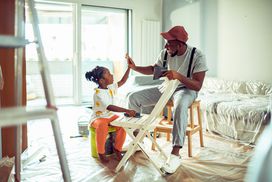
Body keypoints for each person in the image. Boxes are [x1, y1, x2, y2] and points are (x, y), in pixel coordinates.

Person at [126, 25, 208, 173]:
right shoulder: (166, 53)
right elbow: (153, 69)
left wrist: (179, 76)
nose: (166, 45)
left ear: (180, 44)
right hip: (167, 87)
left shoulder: (197, 55)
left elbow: (197, 85)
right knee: (133, 98)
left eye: (169, 42)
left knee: (180, 105)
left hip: (186, 89)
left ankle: (175, 155)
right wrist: (134, 67)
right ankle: (137, 142)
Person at [85, 59, 137, 163]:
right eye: (108, 74)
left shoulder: (109, 87)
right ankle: (101, 152)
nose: (112, 75)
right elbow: (110, 107)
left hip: (110, 116)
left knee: (122, 124)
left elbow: (122, 81)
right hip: (98, 118)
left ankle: (117, 149)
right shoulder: (98, 93)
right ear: (101, 81)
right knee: (102, 125)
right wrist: (126, 110)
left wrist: (129, 68)